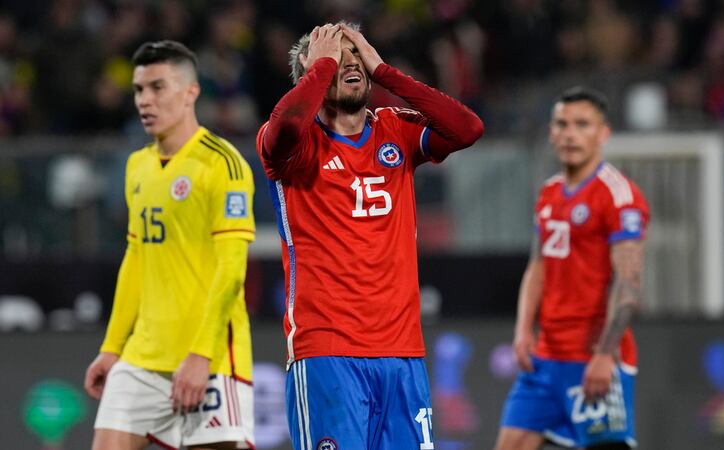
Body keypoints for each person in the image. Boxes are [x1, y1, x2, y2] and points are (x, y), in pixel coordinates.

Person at [255, 22, 483, 450]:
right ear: (312, 74)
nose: (350, 64)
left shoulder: (394, 129)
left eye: (355, 56)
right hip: (327, 352)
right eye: (336, 59)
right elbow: (284, 128)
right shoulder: (295, 145)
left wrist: (386, 72)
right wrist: (319, 68)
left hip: (403, 355)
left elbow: (466, 129)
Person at [83, 40, 256, 450]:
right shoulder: (136, 165)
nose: (145, 100)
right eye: (139, 90)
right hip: (142, 359)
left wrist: (200, 356)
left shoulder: (223, 164)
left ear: (190, 92)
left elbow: (231, 272)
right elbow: (136, 259)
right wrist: (112, 348)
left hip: (212, 361)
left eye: (157, 87)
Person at [494, 86, 649, 450]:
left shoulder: (619, 195)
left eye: (582, 124)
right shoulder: (548, 193)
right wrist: (522, 330)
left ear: (603, 133)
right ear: (551, 132)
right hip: (545, 360)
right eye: (561, 124)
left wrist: (604, 354)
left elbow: (629, 283)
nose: (570, 134)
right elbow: (538, 266)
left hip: (593, 358)